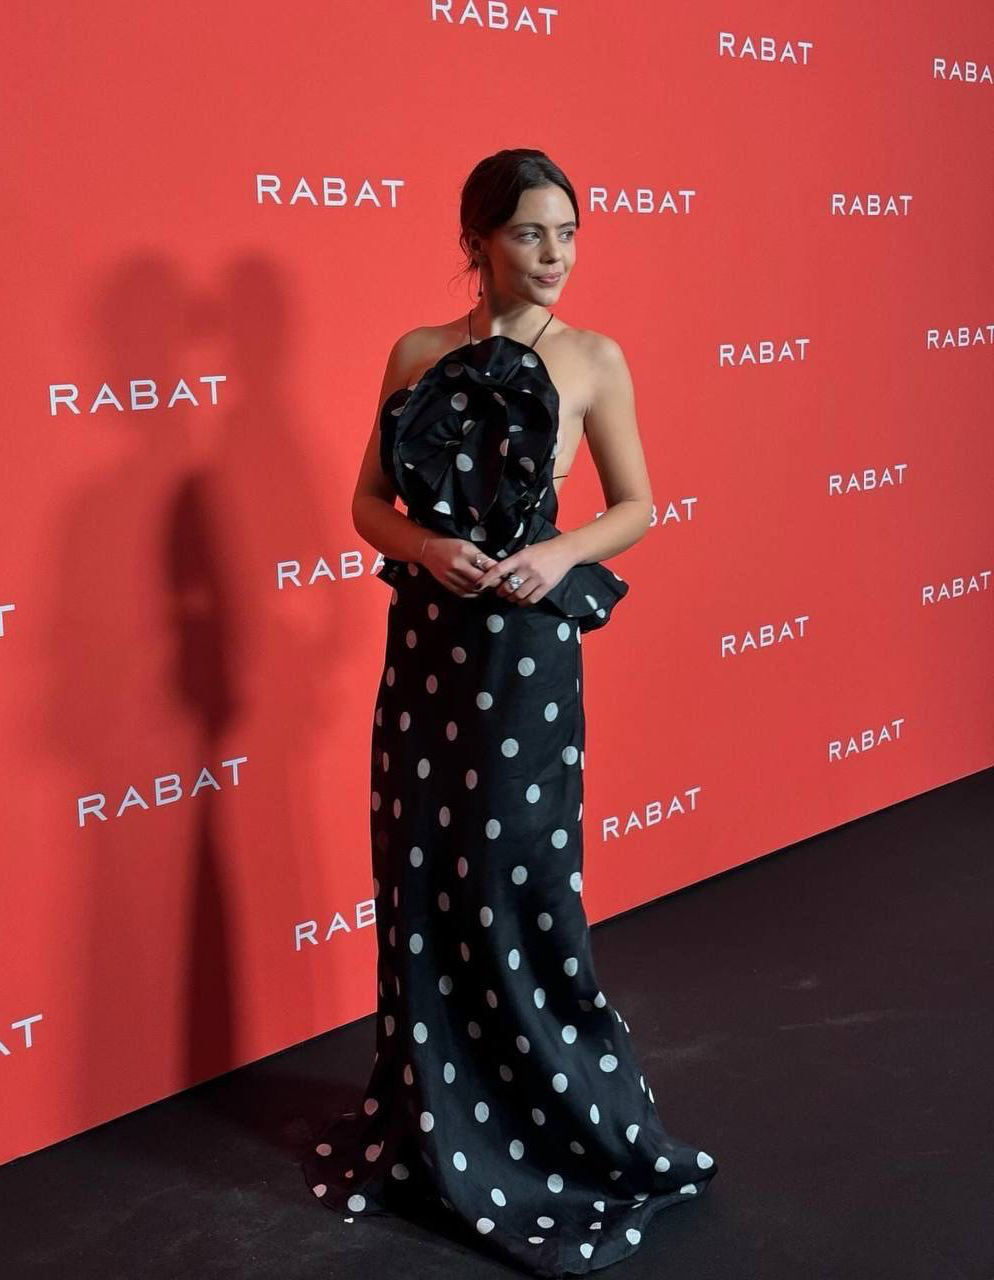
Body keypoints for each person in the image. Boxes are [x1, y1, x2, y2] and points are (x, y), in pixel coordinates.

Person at [302, 148, 718, 1278]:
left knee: (518, 880)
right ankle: (438, 1121)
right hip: (427, 648)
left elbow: (637, 503)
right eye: (532, 233)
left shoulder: (592, 357)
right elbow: (366, 503)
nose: (554, 255)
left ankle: (557, 1123)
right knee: (423, 877)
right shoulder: (416, 353)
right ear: (477, 241)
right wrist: (425, 545)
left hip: (527, 653)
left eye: (568, 233)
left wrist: (557, 553)